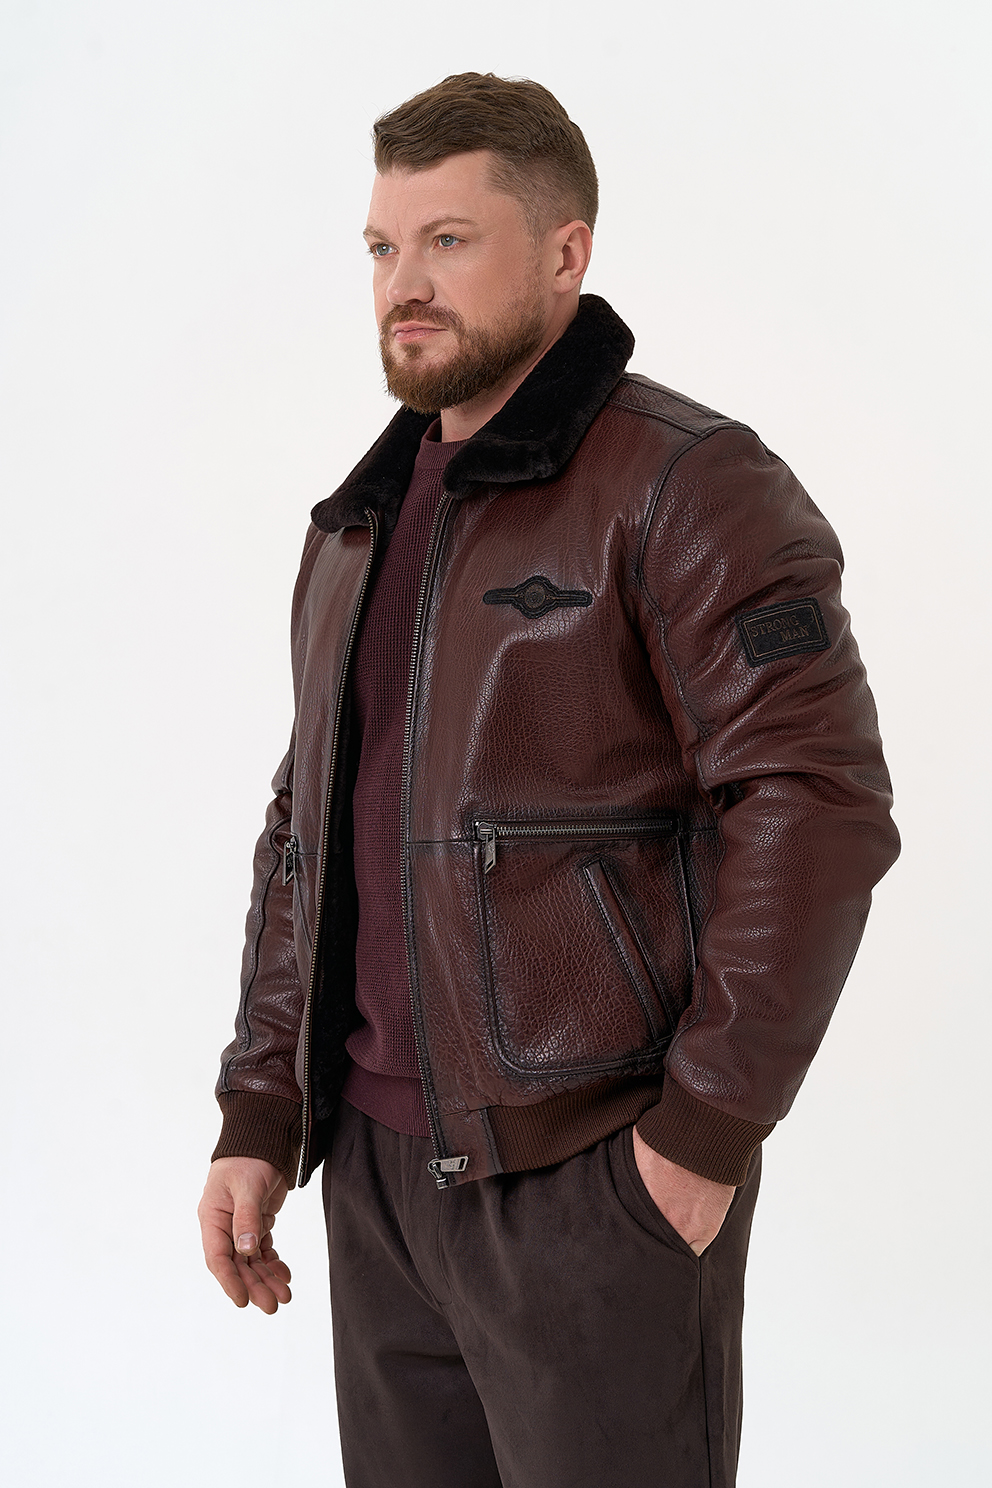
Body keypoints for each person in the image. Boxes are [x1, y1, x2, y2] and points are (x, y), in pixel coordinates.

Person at [197, 72, 899, 1488]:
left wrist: (700, 1136)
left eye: (450, 240)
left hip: (588, 1178)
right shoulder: (354, 525)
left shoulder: (691, 485)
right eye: (384, 246)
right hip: (375, 1180)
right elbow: (305, 828)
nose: (404, 283)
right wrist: (262, 1109)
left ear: (566, 251)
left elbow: (815, 803)